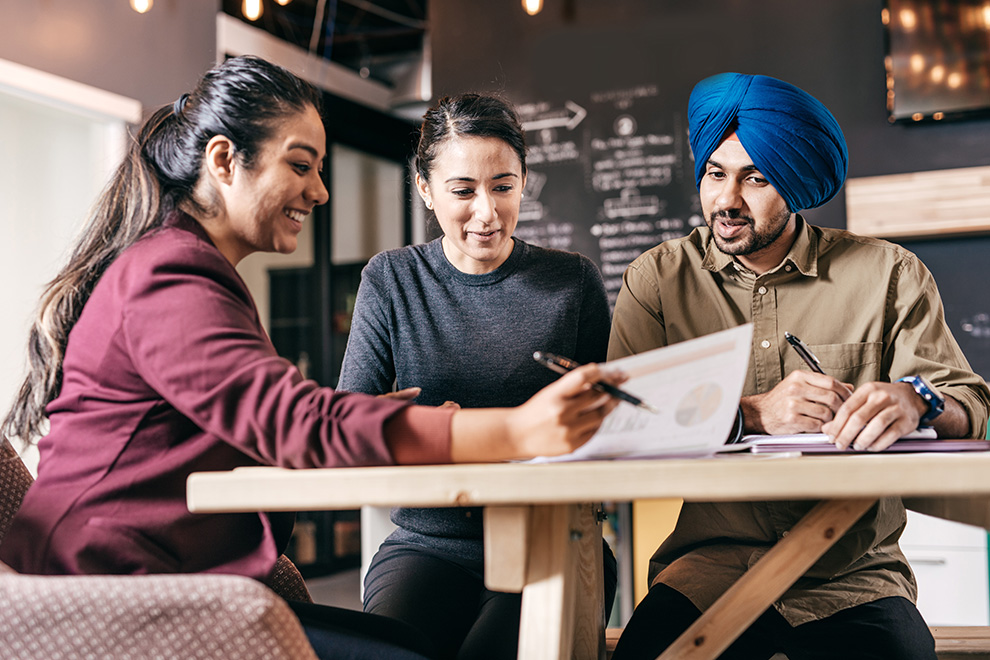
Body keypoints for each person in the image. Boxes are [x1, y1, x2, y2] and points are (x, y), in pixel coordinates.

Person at [0, 57, 623, 660]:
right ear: (223, 161)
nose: (321, 191)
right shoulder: (170, 274)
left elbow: (276, 423)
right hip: (102, 593)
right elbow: (296, 421)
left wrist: (349, 421)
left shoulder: (186, 266)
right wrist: (517, 427)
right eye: (301, 165)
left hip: (144, 574)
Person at [609, 72, 990, 660]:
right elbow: (618, 419)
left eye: (755, 178)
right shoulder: (657, 279)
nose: (727, 200)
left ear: (794, 182)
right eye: (715, 173)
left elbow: (971, 404)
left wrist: (917, 402)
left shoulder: (889, 274)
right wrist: (750, 415)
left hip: (854, 575)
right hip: (707, 570)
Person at [337, 93, 617, 660]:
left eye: (503, 187)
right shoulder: (391, 280)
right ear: (424, 189)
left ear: (523, 181)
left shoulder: (573, 282)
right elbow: (348, 424)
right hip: (427, 543)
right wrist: (407, 427)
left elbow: (611, 427)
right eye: (463, 191)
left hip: (556, 538)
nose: (486, 212)